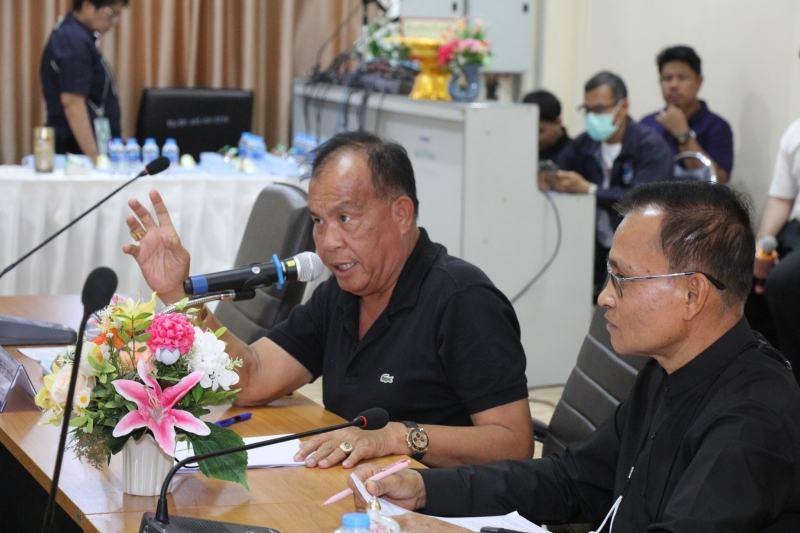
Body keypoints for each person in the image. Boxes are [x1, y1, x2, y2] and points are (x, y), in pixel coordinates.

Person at [350, 181, 800, 532]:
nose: (604, 297)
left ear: (692, 294)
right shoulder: (666, 372)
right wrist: (424, 488)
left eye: (622, 279)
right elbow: (573, 480)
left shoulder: (752, 418)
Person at [122, 131, 534, 469]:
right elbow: (253, 378)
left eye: (345, 218)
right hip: (358, 494)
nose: (328, 242)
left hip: (444, 511)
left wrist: (397, 437)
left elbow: (514, 444)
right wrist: (178, 295)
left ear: (401, 214)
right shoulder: (341, 293)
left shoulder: (463, 300)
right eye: (318, 221)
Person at [555, 71, 673, 290]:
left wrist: (589, 189)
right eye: (587, 110)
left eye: (600, 109)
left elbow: (641, 201)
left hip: (641, 253)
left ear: (623, 107)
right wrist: (552, 179)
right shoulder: (585, 143)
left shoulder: (651, 147)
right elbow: (559, 168)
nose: (592, 117)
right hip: (592, 251)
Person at [40, 0, 127, 159]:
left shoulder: (79, 36)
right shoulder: (73, 40)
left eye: (118, 15)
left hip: (84, 147)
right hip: (76, 151)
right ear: (87, 5)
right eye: (111, 13)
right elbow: (72, 102)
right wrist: (94, 157)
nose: (114, 21)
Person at [752, 117, 800, 385]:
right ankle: (762, 378)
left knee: (785, 281)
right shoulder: (796, 131)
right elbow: (781, 199)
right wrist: (761, 247)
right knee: (740, 274)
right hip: (795, 230)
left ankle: (792, 383)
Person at [641, 45, 734, 184]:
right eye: (667, 78)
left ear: (699, 81)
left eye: (682, 78)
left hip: (697, 198)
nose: (673, 85)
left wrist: (681, 132)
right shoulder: (647, 124)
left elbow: (717, 180)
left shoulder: (717, 126)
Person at [522, 90, 572, 162]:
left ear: (558, 122)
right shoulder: (524, 153)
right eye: (529, 131)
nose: (535, 138)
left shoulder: (575, 155)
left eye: (540, 131)